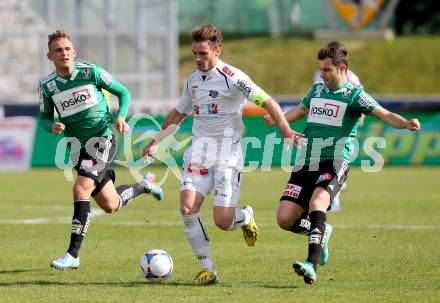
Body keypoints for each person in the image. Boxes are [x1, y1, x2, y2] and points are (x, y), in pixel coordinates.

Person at [143, 24, 303, 285]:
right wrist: (155, 141)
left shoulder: (232, 77)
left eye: (203, 53)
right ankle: (208, 269)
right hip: (198, 154)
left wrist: (285, 129)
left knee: (223, 221)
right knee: (187, 208)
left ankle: (245, 216)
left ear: (217, 50)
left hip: (228, 156)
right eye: (195, 53)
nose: (197, 59)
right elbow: (179, 113)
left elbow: (269, 102)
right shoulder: (192, 79)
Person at [265, 42, 420, 285]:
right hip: (307, 160)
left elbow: (385, 114)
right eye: (321, 69)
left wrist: (406, 122)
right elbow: (300, 110)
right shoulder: (316, 89)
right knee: (284, 219)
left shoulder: (355, 95)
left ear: (342, 68)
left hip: (335, 160)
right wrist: (279, 120)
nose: (322, 74)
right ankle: (323, 231)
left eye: (327, 70)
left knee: (318, 202)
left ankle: (311, 265)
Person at [39, 30, 164, 270]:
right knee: (111, 205)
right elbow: (44, 118)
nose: (64, 53)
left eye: (67, 49)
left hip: (101, 139)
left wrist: (121, 116)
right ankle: (145, 185)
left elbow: (123, 92)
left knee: (80, 188)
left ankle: (73, 254)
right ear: (49, 56)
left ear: (74, 52)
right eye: (58, 50)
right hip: (77, 147)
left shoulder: (91, 72)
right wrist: (51, 126)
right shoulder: (47, 86)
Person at [313, 41, 364, 211]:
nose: (323, 73)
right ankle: (328, 193)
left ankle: (334, 196)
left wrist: (360, 117)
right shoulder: (318, 75)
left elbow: (361, 100)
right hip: (325, 122)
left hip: (342, 124)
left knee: (337, 159)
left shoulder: (352, 78)